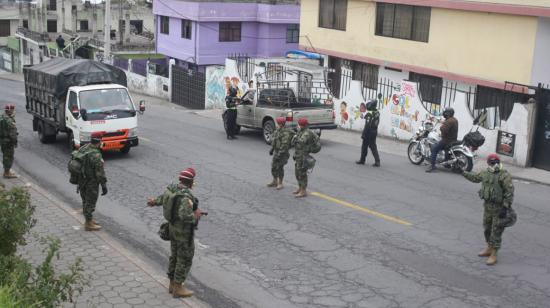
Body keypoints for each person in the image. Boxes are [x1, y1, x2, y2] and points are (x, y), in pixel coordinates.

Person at [147, 168, 202, 298]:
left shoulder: (172, 189)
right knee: (184, 258)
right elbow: (185, 215)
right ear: (191, 181)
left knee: (174, 256)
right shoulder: (186, 196)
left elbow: (162, 199)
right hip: (183, 233)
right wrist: (196, 215)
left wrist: (153, 201)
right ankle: (178, 287)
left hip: (171, 229)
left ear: (180, 179)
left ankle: (172, 284)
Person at [463, 154, 514, 266]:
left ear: (498, 162)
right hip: (487, 207)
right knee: (487, 228)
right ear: (488, 163)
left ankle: (494, 254)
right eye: (491, 162)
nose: (494, 164)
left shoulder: (504, 175)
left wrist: (505, 207)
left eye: (495, 162)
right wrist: (463, 172)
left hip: (499, 208)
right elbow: (475, 178)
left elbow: (509, 193)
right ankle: (489, 248)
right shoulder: (485, 173)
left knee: (496, 231)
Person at [78, 137, 107, 231]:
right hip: (91, 182)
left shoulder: (83, 148)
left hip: (81, 179)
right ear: (99, 143)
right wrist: (103, 185)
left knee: (85, 200)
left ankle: (89, 219)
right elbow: (100, 172)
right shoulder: (96, 154)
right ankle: (88, 224)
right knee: (90, 202)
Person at [426, 107, 458, 172]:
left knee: (434, 149)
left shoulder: (449, 121)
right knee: (446, 150)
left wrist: (441, 126)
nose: (444, 113)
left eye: (445, 112)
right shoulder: (454, 120)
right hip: (453, 139)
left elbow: (444, 129)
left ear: (448, 114)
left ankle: (432, 166)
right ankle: (446, 164)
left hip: (447, 140)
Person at [292, 118, 317, 198]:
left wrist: (296, 137)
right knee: (297, 172)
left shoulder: (307, 133)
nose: (298, 126)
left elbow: (302, 141)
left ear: (303, 125)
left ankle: (303, 191)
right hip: (298, 154)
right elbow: (295, 143)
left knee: (302, 173)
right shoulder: (301, 131)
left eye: (299, 124)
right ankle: (300, 187)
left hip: (303, 155)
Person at [268, 117, 295, 190]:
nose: (276, 124)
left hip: (282, 153)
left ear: (281, 124)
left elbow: (284, 145)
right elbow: (275, 141)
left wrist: (279, 154)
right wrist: (272, 149)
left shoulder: (286, 133)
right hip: (276, 151)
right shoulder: (278, 130)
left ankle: (280, 183)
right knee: (273, 166)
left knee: (280, 168)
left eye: (277, 123)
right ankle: (274, 181)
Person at [356, 100, 380, 167]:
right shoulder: (377, 112)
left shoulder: (369, 114)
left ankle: (362, 160)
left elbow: (367, 125)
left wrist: (364, 134)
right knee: (373, 146)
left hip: (369, 132)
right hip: (374, 131)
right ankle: (377, 161)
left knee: (364, 146)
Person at [0, 105, 19, 179]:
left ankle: (7, 171)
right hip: (8, 141)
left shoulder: (2, 117)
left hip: (2, 140)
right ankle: (7, 173)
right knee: (8, 157)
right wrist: (15, 142)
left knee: (5, 155)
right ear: (10, 111)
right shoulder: (9, 121)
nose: (14, 111)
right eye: (13, 110)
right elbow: (13, 134)